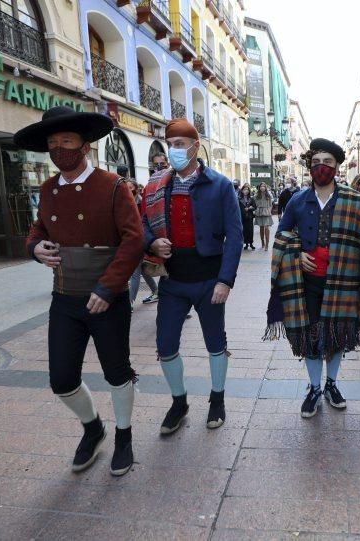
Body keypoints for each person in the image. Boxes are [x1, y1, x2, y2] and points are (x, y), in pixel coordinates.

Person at [16, 106, 144, 476]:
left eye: (66, 141)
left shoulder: (113, 186)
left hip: (108, 299)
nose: (59, 150)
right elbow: (38, 230)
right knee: (61, 379)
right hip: (65, 298)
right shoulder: (48, 189)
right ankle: (93, 428)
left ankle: (124, 435)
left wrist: (109, 287)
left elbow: (133, 241)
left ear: (85, 146)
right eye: (52, 144)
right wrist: (34, 248)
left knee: (117, 372)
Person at [267, 138, 360, 417]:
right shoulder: (297, 200)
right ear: (309, 167)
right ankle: (314, 387)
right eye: (316, 162)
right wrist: (295, 254)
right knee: (309, 336)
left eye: (327, 162)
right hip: (306, 282)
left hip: (344, 281)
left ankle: (331, 384)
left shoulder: (355, 201)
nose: (321, 168)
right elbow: (281, 234)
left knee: (337, 335)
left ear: (337, 166)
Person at [141, 118, 243, 435]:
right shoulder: (156, 186)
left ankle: (217, 399)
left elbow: (235, 236)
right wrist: (151, 242)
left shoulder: (221, 185)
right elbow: (142, 223)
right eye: (170, 144)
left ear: (196, 147)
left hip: (209, 278)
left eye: (180, 145)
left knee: (215, 342)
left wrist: (225, 281)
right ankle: (179, 401)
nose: (173, 150)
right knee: (166, 343)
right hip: (172, 281)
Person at [124, 179, 159, 305]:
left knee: (135, 271)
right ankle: (156, 291)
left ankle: (129, 303)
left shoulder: (139, 201)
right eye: (125, 187)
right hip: (129, 240)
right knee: (143, 270)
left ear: (135, 188)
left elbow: (143, 221)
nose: (127, 189)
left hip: (139, 240)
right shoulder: (124, 201)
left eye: (130, 187)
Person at [254, 182, 274, 251]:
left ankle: (267, 244)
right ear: (259, 187)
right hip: (259, 212)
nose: (262, 187)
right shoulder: (256, 195)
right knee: (261, 228)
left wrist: (269, 210)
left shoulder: (269, 195)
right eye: (261, 186)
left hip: (267, 212)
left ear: (265, 187)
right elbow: (255, 204)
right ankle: (262, 242)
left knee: (266, 228)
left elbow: (271, 204)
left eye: (264, 186)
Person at [239, 184, 257, 250]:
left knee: (250, 230)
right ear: (242, 190)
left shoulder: (251, 198)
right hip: (242, 216)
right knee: (244, 230)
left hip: (249, 216)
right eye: (244, 189)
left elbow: (255, 207)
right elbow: (237, 208)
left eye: (247, 190)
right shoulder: (239, 198)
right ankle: (246, 244)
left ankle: (251, 243)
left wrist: (249, 208)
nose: (246, 191)